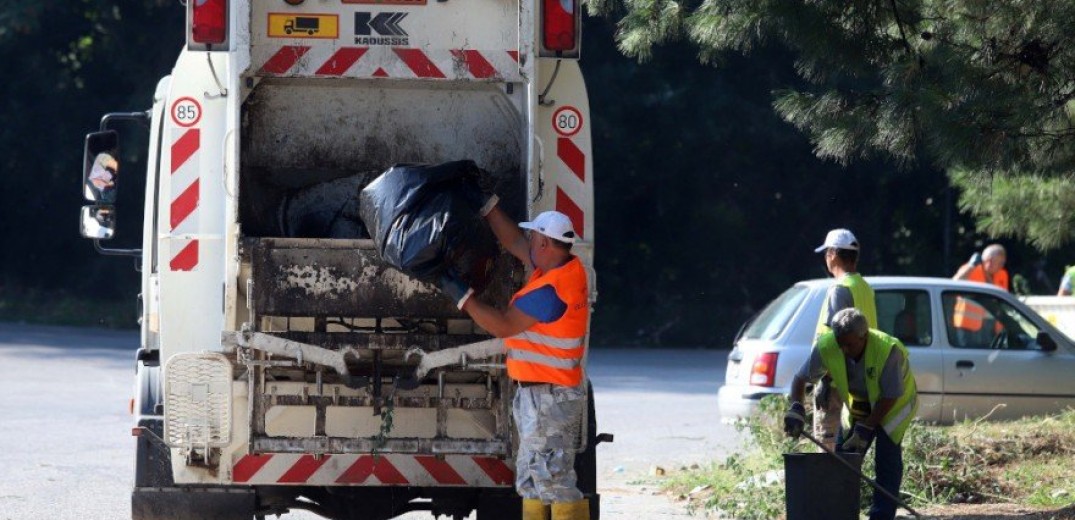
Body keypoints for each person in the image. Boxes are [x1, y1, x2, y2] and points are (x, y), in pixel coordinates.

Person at [438, 198, 592, 520]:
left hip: (551, 396)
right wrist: (488, 205)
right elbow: (514, 241)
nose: (529, 243)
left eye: (535, 238)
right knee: (532, 478)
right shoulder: (556, 267)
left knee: (554, 478)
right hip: (540, 394)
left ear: (546, 243)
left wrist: (462, 296)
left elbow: (504, 324)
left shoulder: (551, 292)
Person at [784, 308, 918, 520]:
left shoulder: (888, 350)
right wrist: (796, 409)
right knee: (842, 463)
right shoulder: (827, 346)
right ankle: (841, 514)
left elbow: (890, 396)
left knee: (887, 460)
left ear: (864, 336)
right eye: (841, 344)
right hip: (860, 403)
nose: (844, 350)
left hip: (893, 406)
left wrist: (866, 427)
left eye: (850, 344)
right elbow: (800, 379)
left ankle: (881, 516)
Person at [811, 228, 878, 450]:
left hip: (836, 375)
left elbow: (834, 339)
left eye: (826, 253)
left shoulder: (839, 289)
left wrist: (825, 379)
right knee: (843, 439)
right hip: (858, 373)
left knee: (826, 440)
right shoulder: (864, 287)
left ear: (832, 254)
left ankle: (827, 484)